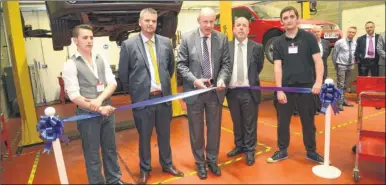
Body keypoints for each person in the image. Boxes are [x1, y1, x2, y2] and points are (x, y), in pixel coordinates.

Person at [118, 8, 183, 184]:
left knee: (164, 135)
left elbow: (170, 69)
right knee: (144, 137)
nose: (150, 24)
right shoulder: (129, 45)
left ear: (156, 23)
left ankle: (167, 164)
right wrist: (137, 92)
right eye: (147, 20)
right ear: (140, 22)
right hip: (142, 101)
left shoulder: (165, 43)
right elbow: (123, 75)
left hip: (163, 98)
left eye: (153, 21)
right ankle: (145, 170)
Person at [62, 24, 126, 184]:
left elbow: (112, 83)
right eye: (85, 37)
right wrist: (97, 107)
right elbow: (74, 95)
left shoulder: (100, 58)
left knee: (110, 150)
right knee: (92, 155)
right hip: (87, 116)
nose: (89, 41)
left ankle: (114, 180)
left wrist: (99, 101)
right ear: (75, 40)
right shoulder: (70, 64)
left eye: (91, 37)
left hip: (107, 111)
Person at [176, 7, 231, 180]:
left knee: (214, 129)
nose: (209, 25)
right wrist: (195, 80)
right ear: (199, 20)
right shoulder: (187, 38)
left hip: (215, 92)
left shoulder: (221, 38)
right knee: (196, 131)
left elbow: (226, 64)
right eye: (205, 21)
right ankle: (200, 163)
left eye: (212, 21)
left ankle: (213, 160)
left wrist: (222, 79)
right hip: (195, 92)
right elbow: (181, 65)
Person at [266, 6, 326, 164]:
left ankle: (311, 152)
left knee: (308, 122)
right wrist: (279, 89)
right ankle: (282, 150)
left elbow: (318, 61)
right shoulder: (278, 42)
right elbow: (277, 67)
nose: (288, 20)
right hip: (285, 88)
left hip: (307, 88)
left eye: (291, 16)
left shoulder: (309, 38)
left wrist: (318, 82)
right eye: (285, 18)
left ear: (297, 19)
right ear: (282, 22)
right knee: (283, 122)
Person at [225, 17, 264, 166]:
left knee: (250, 123)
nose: (241, 28)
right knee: (237, 121)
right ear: (234, 29)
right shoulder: (226, 47)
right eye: (238, 25)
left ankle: (249, 150)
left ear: (248, 30)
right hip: (232, 92)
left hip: (249, 91)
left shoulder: (257, 47)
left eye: (244, 26)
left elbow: (258, 67)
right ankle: (239, 145)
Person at [332, 27, 357, 111]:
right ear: (347, 32)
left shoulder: (355, 43)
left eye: (353, 32)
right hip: (341, 65)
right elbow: (334, 55)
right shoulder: (339, 42)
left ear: (355, 33)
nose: (351, 33)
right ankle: (339, 102)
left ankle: (343, 100)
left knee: (346, 85)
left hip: (350, 65)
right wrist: (336, 65)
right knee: (340, 84)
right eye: (350, 32)